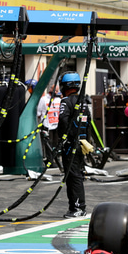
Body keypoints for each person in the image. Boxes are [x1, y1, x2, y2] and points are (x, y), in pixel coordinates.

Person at [57, 71, 88, 218]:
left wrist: (63, 139)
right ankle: (78, 206)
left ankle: (77, 208)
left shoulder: (66, 101)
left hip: (70, 144)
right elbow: (87, 122)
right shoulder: (83, 101)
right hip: (82, 143)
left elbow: (63, 121)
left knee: (73, 177)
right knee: (78, 175)